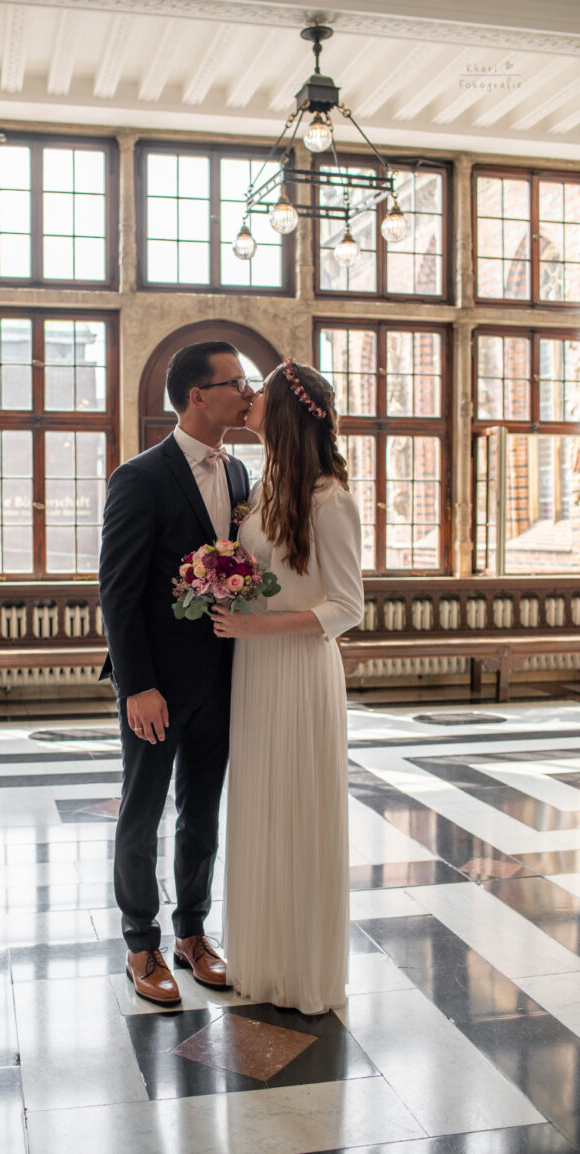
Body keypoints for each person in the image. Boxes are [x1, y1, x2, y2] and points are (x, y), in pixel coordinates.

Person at [98, 340, 252, 1006]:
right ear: (199, 394)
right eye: (236, 382)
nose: (247, 393)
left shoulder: (241, 473)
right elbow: (119, 589)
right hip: (157, 684)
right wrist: (137, 684)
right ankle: (141, 945)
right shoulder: (141, 476)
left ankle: (193, 934)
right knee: (142, 814)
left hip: (224, 675)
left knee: (201, 813)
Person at [213, 358, 364, 1015]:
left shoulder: (330, 498)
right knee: (260, 808)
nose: (247, 399)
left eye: (258, 393)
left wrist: (259, 627)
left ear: (282, 413)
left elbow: (348, 608)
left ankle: (302, 970)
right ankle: (264, 962)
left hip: (298, 673)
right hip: (256, 674)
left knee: (297, 811)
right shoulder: (269, 484)